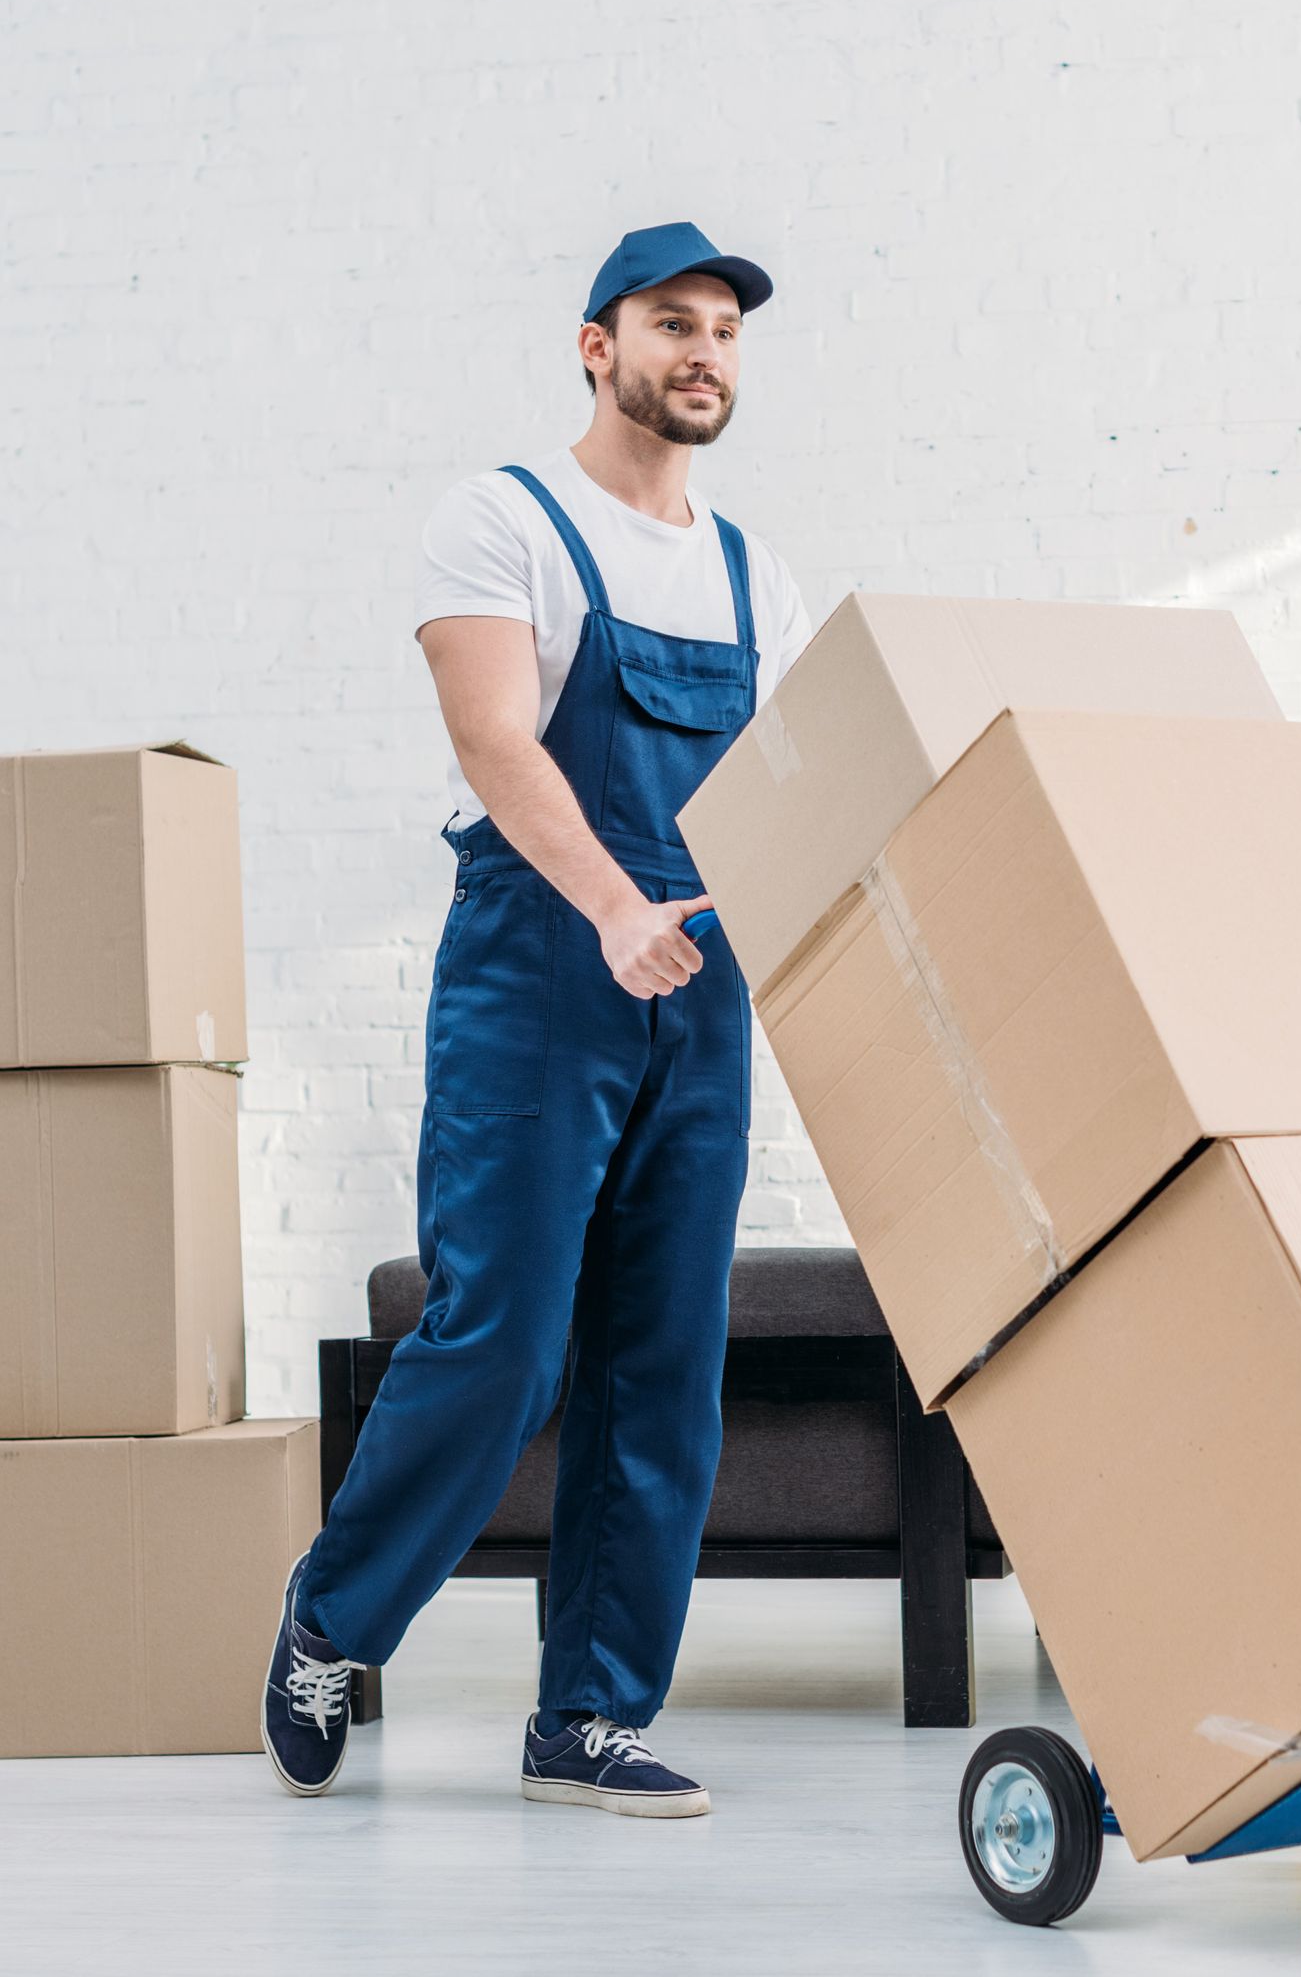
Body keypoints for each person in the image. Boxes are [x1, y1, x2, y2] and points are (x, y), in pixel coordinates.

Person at [260, 222, 812, 1817]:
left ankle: (589, 1718)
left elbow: (775, 789)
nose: (703, 351)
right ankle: (332, 1620)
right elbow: (498, 739)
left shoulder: (748, 570)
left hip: (698, 986)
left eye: (723, 330)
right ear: (598, 345)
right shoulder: (502, 519)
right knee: (503, 1340)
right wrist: (610, 906)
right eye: (669, 324)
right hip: (541, 966)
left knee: (664, 1360)